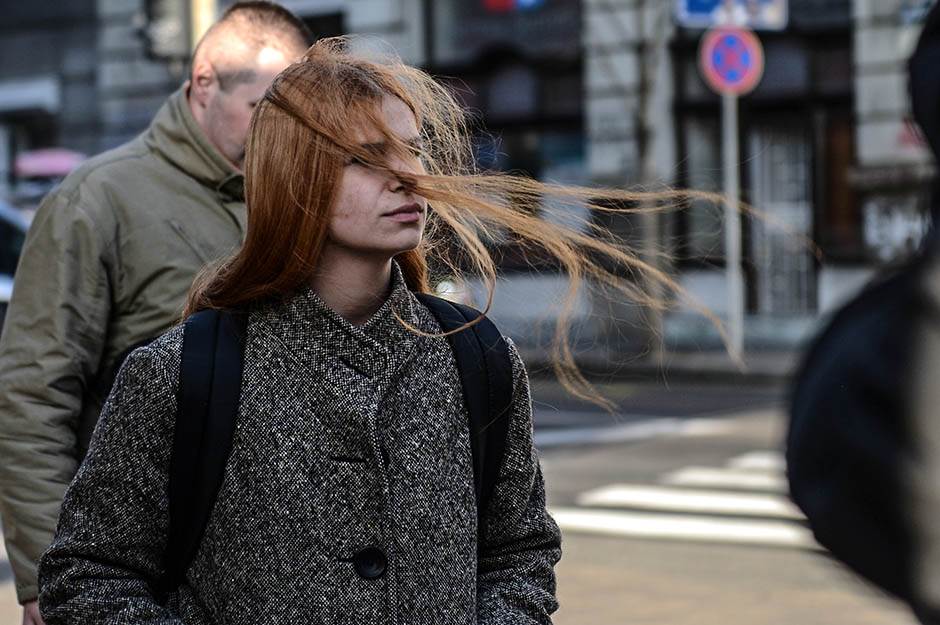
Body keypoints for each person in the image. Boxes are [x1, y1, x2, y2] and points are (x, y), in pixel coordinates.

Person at [0, 3, 312, 624]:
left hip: (288, 564)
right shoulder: (98, 200)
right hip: (146, 566)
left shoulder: (302, 199)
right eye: (262, 110)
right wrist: (45, 576)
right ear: (203, 84)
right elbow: (34, 394)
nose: (282, 133)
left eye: (295, 118)